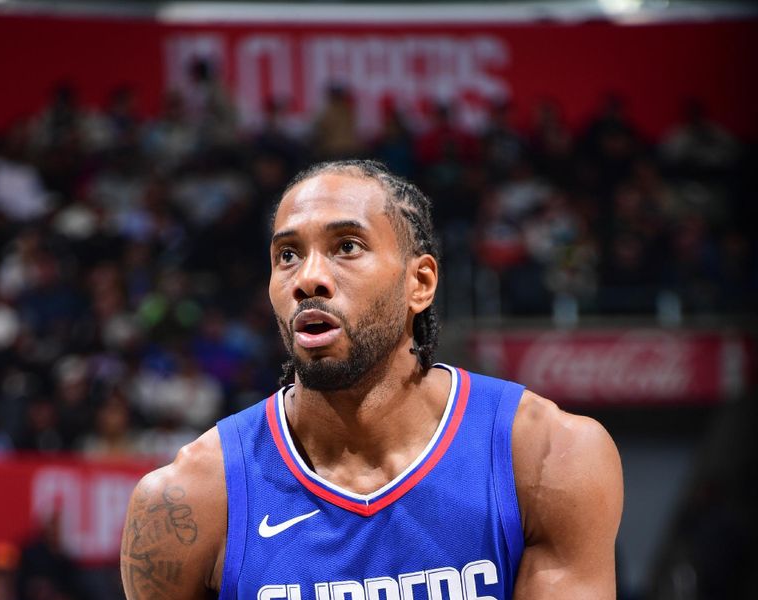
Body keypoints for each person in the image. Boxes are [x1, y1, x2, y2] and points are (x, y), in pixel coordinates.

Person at [120, 159, 623, 599]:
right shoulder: (189, 500)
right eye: (287, 255)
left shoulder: (547, 458)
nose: (307, 278)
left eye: (347, 246)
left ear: (419, 282)